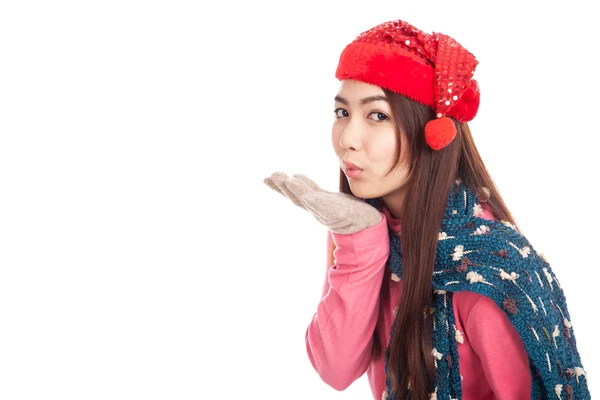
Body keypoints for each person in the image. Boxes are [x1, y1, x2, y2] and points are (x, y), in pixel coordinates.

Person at [264, 19, 590, 400]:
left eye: (378, 115)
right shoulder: (365, 227)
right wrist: (360, 241)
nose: (348, 140)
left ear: (431, 130)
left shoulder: (487, 273)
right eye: (342, 113)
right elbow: (335, 369)